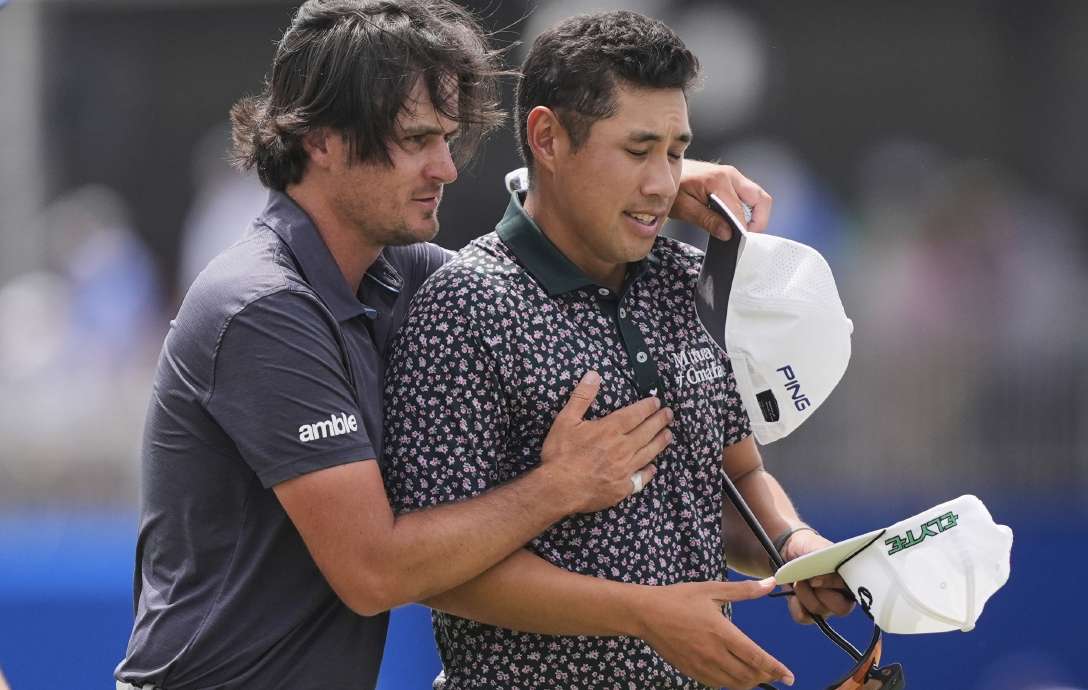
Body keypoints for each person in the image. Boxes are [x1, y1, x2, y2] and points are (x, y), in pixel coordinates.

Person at [114, 1, 779, 689]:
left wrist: (651, 183)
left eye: (448, 138)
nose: (446, 167)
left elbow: (534, 236)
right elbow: (375, 572)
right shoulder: (263, 307)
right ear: (321, 140)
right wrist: (560, 486)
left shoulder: (401, 273)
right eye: (416, 139)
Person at [382, 10, 854, 690]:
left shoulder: (688, 282)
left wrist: (797, 547)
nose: (664, 182)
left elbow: (738, 476)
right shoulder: (467, 306)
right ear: (547, 138)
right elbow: (442, 574)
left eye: (675, 150)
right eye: (638, 151)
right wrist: (645, 614)